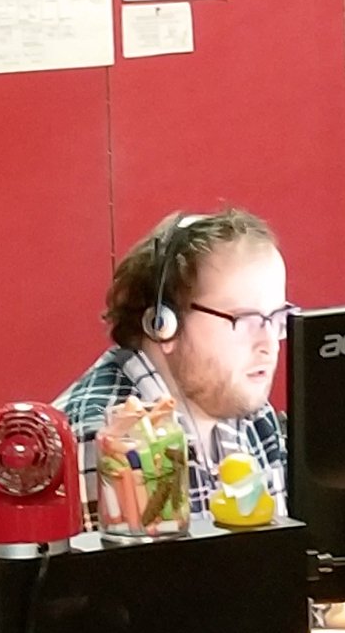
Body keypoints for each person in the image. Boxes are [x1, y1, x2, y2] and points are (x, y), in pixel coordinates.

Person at [55, 208, 291, 522]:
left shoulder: (250, 415)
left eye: (276, 319)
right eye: (244, 320)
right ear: (164, 324)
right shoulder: (105, 439)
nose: (269, 344)